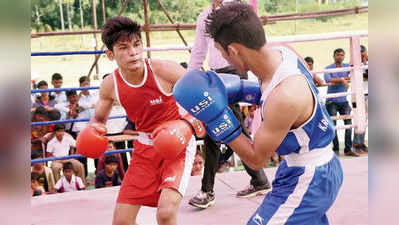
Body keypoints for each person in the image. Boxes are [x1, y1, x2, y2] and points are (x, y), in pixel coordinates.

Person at [173, 2, 343, 224]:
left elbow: (256, 160)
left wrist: (217, 118)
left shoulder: (284, 97)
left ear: (233, 50)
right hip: (300, 168)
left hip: (310, 177)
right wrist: (239, 90)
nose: (224, 60)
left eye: (222, 53)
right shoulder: (283, 51)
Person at [76, 16, 200, 225]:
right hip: (144, 149)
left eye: (136, 45)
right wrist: (93, 130)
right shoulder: (110, 84)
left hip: (177, 145)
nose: (132, 52)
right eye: (123, 47)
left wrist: (186, 125)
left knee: (165, 213)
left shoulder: (164, 70)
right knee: (121, 221)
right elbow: (99, 118)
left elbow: (204, 98)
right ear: (110, 54)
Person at [187, 0, 271, 208]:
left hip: (236, 71)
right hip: (216, 76)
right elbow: (198, 51)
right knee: (230, 128)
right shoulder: (204, 15)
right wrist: (189, 80)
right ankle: (259, 179)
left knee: (215, 129)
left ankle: (207, 190)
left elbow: (254, 42)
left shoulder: (237, 9)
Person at [324, 48, 359, 157]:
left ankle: (348, 149)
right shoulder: (328, 68)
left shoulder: (347, 66)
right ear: (333, 56)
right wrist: (343, 80)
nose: (339, 57)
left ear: (344, 56)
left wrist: (343, 79)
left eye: (341, 55)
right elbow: (328, 80)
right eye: (337, 55)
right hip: (331, 101)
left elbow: (353, 75)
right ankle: (335, 149)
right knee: (333, 126)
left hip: (344, 101)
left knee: (349, 125)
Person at [352, 45, 368, 154]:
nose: (361, 54)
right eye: (359, 52)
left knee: (366, 120)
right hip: (359, 94)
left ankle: (362, 143)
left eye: (362, 52)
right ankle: (356, 144)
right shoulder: (354, 64)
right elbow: (359, 76)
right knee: (359, 119)